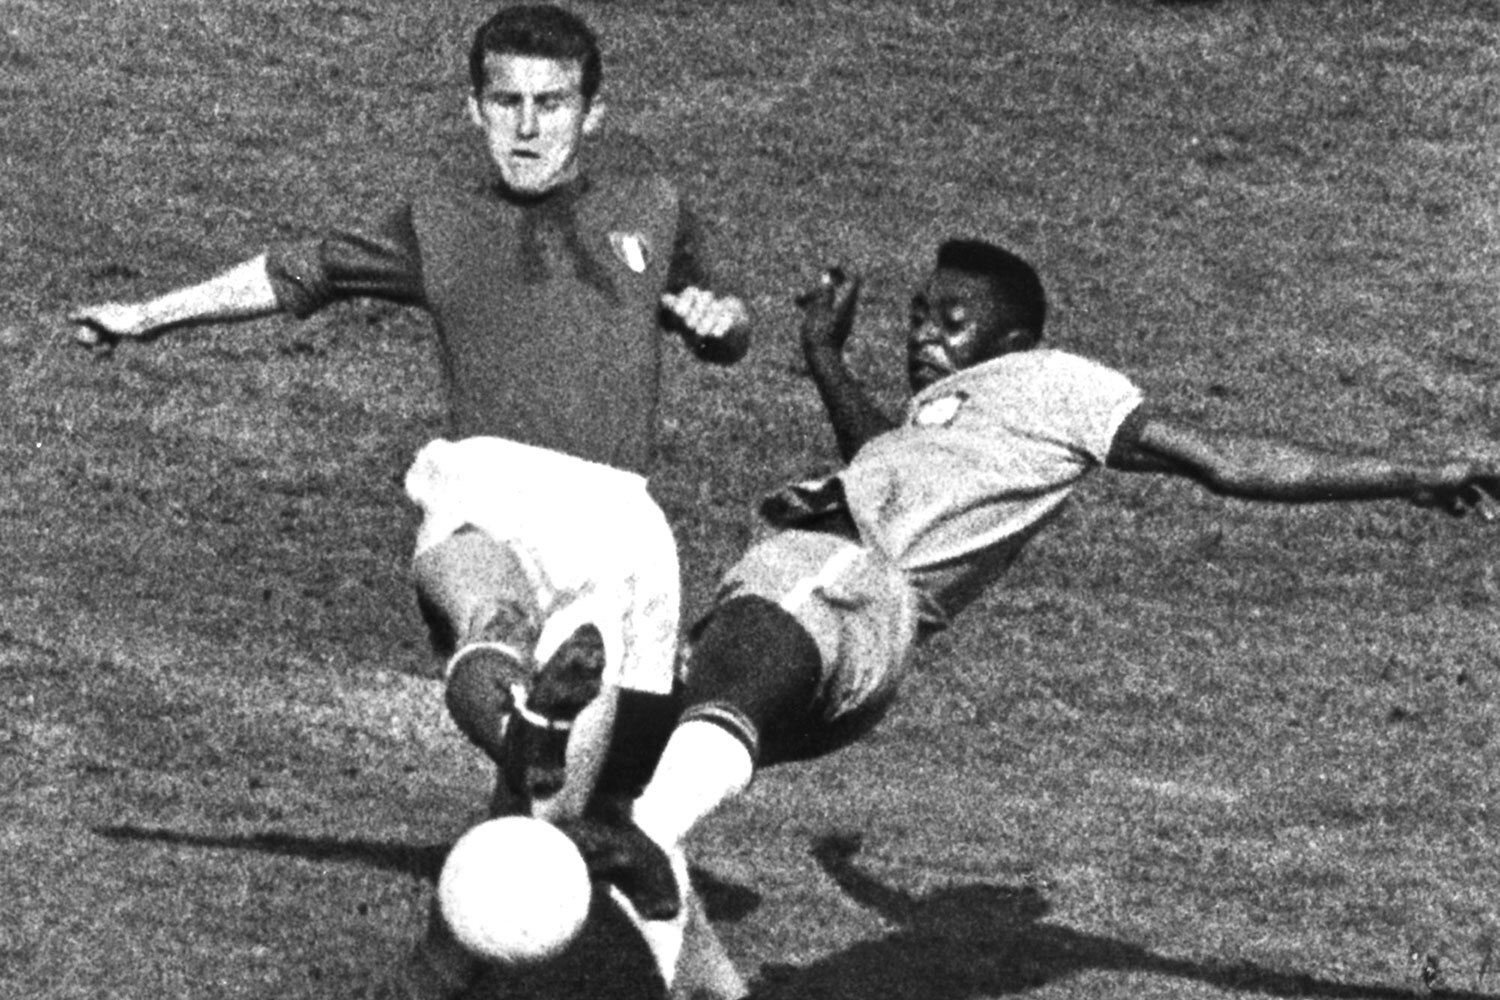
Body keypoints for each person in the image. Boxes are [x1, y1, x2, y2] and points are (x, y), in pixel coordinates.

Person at [68, 4, 750, 998]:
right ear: (474, 108)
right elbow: (295, 272)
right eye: (505, 102)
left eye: (552, 103)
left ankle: (492, 926)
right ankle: (526, 723)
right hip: (488, 476)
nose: (527, 127)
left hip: (620, 530)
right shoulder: (436, 219)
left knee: (570, 823)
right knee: (487, 611)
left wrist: (722, 322)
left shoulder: (654, 204)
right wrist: (146, 316)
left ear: (593, 113)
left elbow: (720, 318)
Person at [616, 239, 1500, 997]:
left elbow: (1224, 460)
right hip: (834, 626)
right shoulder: (945, 416)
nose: (924, 333)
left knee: (646, 817)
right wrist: (825, 355)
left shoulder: (1057, 384)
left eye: (952, 319)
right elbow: (888, 466)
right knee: (625, 777)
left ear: (1016, 339)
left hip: (838, 587)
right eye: (917, 315)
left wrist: (1416, 472)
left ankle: (634, 841)